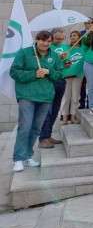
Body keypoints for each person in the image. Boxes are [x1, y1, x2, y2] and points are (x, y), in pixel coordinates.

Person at [11, 30, 64, 172]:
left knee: (36, 129)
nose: (45, 43)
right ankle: (18, 158)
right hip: (27, 96)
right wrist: (33, 74)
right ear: (37, 40)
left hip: (46, 97)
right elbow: (14, 72)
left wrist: (49, 72)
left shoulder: (55, 56)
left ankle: (28, 156)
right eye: (43, 40)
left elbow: (59, 75)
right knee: (25, 127)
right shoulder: (25, 53)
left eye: (48, 41)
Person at [38, 28, 69, 149]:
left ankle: (48, 135)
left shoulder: (63, 49)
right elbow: (43, 66)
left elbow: (60, 66)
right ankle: (43, 138)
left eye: (62, 39)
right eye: (57, 39)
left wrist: (66, 63)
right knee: (47, 110)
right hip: (48, 82)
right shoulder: (45, 50)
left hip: (61, 80)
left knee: (55, 110)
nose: (60, 41)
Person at [59, 31, 85, 125]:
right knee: (66, 97)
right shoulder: (67, 48)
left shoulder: (83, 48)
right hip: (67, 75)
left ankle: (73, 116)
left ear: (79, 37)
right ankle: (65, 117)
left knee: (75, 97)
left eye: (74, 35)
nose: (72, 37)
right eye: (71, 36)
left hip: (78, 75)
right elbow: (62, 58)